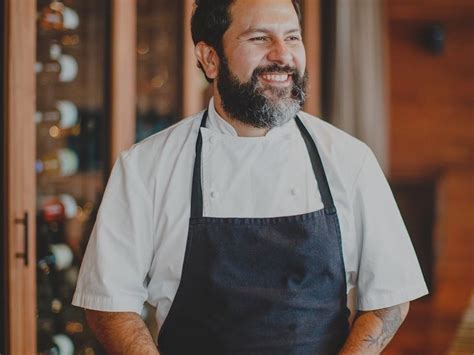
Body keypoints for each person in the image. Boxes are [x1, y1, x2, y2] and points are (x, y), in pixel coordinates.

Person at [72, 0, 428, 353]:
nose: (282, 55)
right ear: (210, 58)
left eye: (292, 37)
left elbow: (389, 298)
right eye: (259, 38)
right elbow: (109, 304)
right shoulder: (145, 167)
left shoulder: (350, 161)